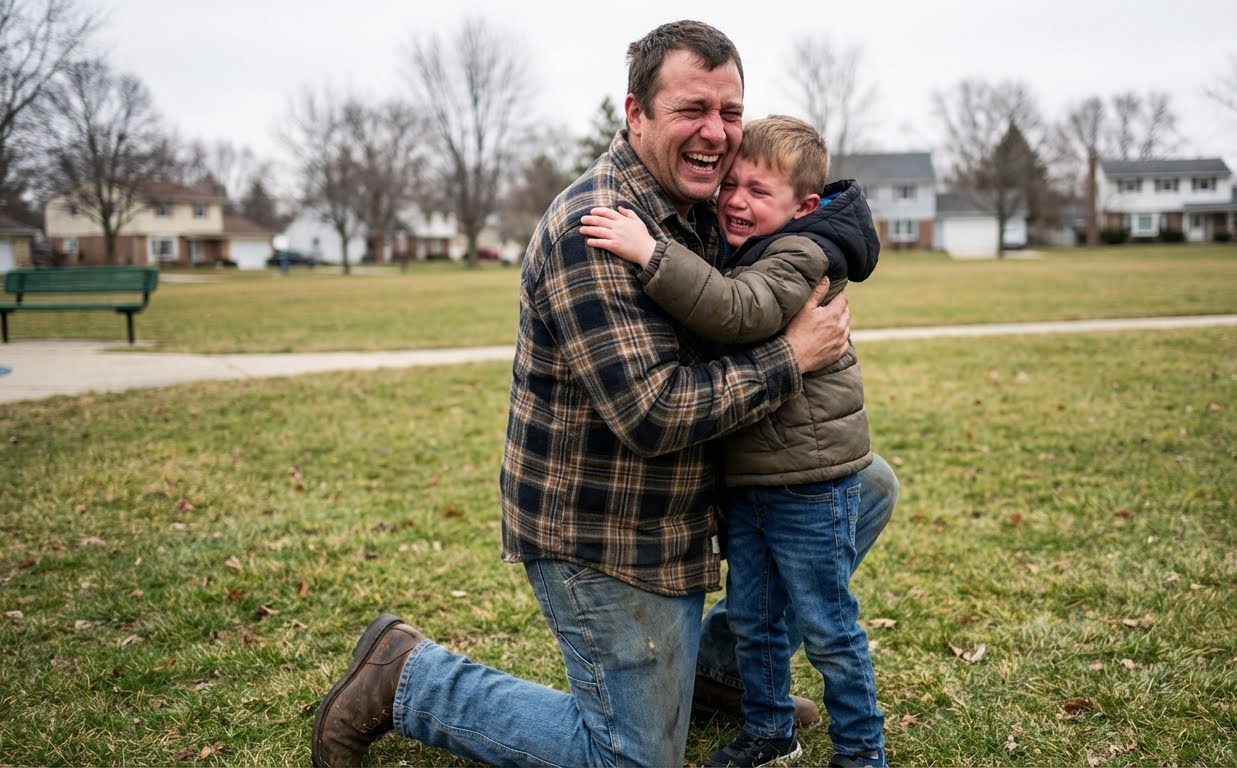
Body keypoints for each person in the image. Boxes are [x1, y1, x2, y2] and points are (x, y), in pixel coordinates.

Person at [311, 20, 897, 768]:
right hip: (611, 528)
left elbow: (752, 291)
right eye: (691, 109)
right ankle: (408, 678)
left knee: (862, 484)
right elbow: (654, 414)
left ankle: (718, 669)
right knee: (631, 759)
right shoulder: (594, 229)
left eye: (729, 112)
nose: (716, 133)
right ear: (635, 113)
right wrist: (792, 356)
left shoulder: (708, 205)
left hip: (689, 499)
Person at [580, 114, 885, 768]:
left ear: (804, 207)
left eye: (758, 191)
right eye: (732, 185)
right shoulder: (753, 246)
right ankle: (770, 732)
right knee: (753, 620)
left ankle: (862, 750)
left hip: (809, 482)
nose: (736, 201)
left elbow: (737, 310)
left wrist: (650, 252)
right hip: (755, 482)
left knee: (828, 627)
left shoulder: (801, 255)